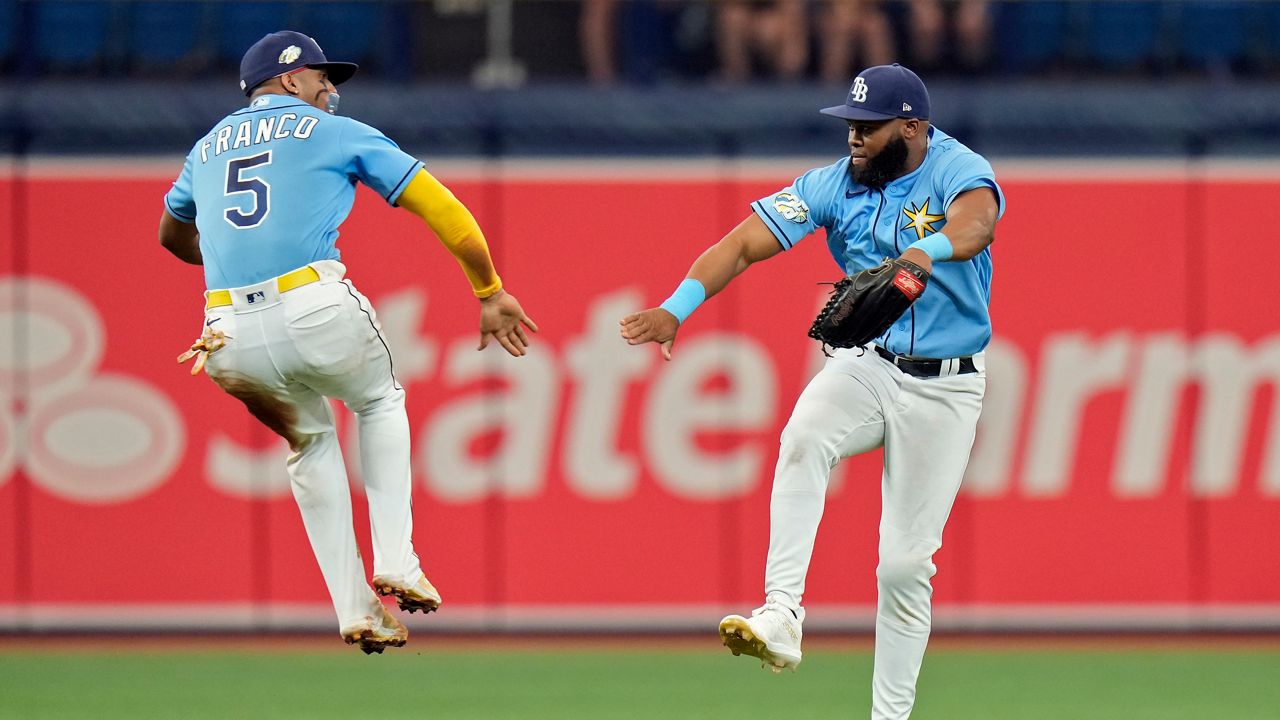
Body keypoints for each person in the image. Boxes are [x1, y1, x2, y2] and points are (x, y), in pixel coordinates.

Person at [620, 63, 1003, 718]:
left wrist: (924, 253)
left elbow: (978, 224)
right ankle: (781, 617)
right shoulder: (832, 185)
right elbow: (742, 245)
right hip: (870, 363)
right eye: (850, 125)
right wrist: (676, 308)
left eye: (869, 126)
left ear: (911, 125)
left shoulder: (954, 167)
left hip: (947, 387)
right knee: (803, 437)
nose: (854, 137)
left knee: (904, 568)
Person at [159, 31, 538, 654]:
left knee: (308, 445)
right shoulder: (333, 131)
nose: (329, 88)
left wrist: (236, 262)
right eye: (319, 76)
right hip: (311, 302)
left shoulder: (206, 148)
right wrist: (489, 289)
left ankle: (355, 608)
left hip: (224, 334)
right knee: (380, 402)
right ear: (287, 80)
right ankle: (398, 559)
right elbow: (441, 207)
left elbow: (171, 235)